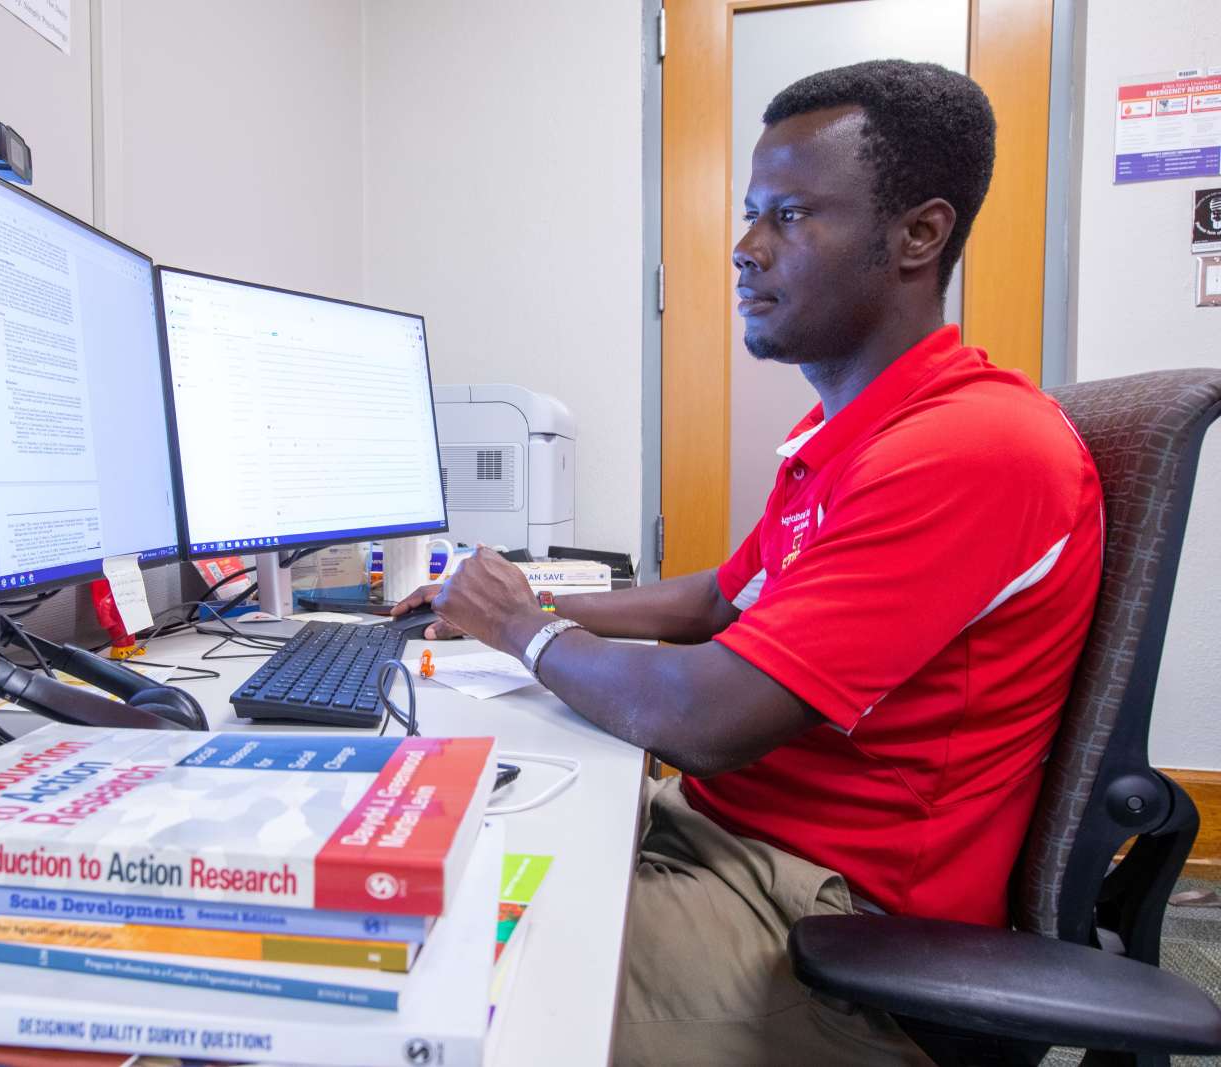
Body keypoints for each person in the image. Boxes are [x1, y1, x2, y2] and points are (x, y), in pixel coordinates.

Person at [392, 60, 1104, 1066]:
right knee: (420, 841)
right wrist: (522, 594)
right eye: (749, 214)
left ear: (918, 235)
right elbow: (721, 599)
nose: (743, 249)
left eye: (788, 216)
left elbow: (706, 715)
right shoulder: (851, 428)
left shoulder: (971, 445)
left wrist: (520, 626)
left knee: (405, 983)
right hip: (736, 838)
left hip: (836, 924)